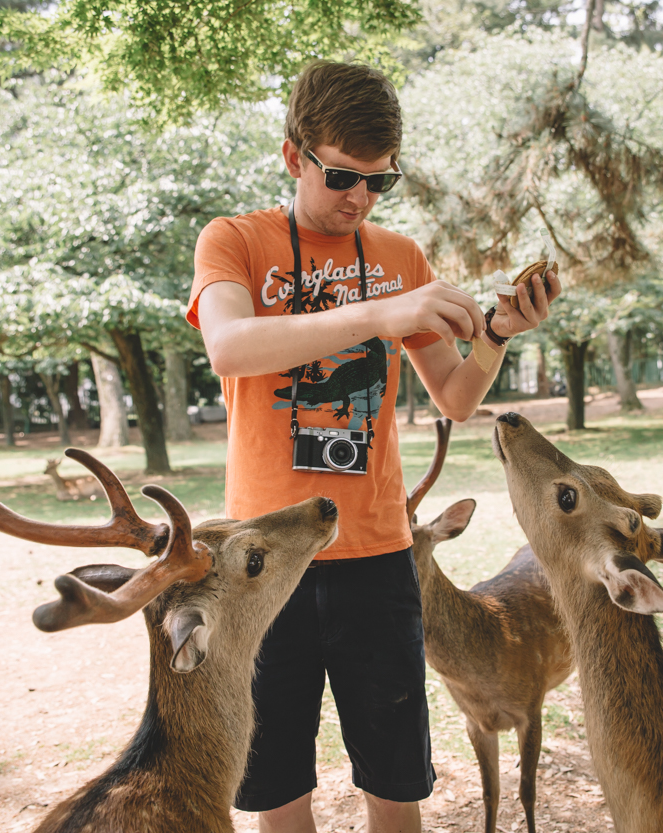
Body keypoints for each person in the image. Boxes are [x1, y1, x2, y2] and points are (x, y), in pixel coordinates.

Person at [186, 61, 560, 833]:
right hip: (263, 564)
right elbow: (228, 346)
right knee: (276, 786)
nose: (359, 197)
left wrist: (496, 334)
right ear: (294, 156)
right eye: (341, 176)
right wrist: (379, 314)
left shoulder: (399, 258)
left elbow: (456, 396)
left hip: (380, 558)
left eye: (379, 181)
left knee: (395, 781)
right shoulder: (235, 240)